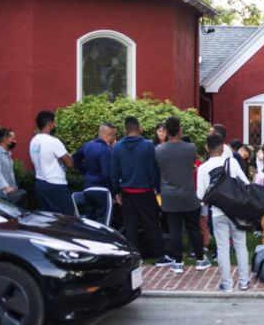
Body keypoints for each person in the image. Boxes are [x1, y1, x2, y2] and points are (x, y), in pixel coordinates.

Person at [111, 116, 172, 267]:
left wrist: (117, 191)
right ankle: (159, 255)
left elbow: (113, 173)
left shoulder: (117, 147)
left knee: (130, 224)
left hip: (126, 191)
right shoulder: (147, 145)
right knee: (151, 223)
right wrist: (157, 188)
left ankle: (133, 256)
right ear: (139, 128)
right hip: (144, 190)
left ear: (125, 129)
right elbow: (153, 169)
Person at [156, 117, 211, 274]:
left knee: (174, 229)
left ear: (166, 131)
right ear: (179, 130)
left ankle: (177, 262)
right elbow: (191, 164)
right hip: (188, 194)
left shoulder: (159, 150)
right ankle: (200, 259)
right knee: (193, 228)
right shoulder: (190, 148)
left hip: (169, 195)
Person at [197, 134, 250, 292]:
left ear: (207, 148)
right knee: (241, 245)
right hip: (237, 210)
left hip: (218, 212)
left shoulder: (203, 168)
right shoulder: (232, 162)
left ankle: (227, 284)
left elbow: (200, 195)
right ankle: (244, 281)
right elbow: (246, 183)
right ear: (222, 148)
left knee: (222, 248)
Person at [29, 110, 75, 215]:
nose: (55, 125)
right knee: (66, 219)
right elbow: (70, 163)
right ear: (50, 124)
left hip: (40, 183)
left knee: (48, 219)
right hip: (56, 185)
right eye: (54, 122)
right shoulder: (53, 141)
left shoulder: (34, 141)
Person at [72, 123, 117, 224]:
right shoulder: (106, 150)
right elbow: (106, 174)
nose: (115, 138)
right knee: (103, 224)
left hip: (88, 190)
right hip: (102, 191)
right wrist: (113, 193)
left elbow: (75, 158)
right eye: (114, 135)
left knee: (90, 223)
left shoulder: (88, 145)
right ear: (108, 135)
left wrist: (85, 172)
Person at [0, 128, 27, 208]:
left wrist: (14, 188)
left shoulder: (7, 154)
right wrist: (6, 187)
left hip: (9, 195)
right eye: (13, 139)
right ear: (6, 139)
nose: (14, 141)